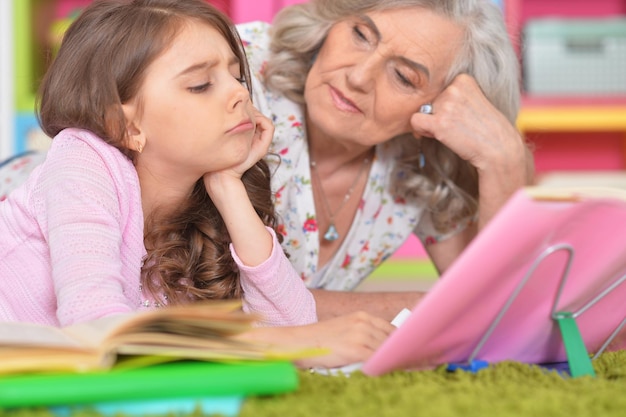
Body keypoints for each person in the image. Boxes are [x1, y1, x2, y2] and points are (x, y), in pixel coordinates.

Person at [0, 0, 393, 369]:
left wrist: (229, 188)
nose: (241, 92)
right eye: (201, 85)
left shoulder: (202, 196)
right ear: (126, 125)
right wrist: (290, 346)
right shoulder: (82, 162)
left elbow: (293, 323)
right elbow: (97, 330)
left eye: (237, 76)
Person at [237, 0, 535, 321]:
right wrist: (420, 306)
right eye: (361, 35)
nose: (359, 77)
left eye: (404, 77)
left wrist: (504, 159)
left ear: (442, 108)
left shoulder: (419, 163)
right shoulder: (238, 71)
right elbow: (200, 300)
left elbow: (497, 311)